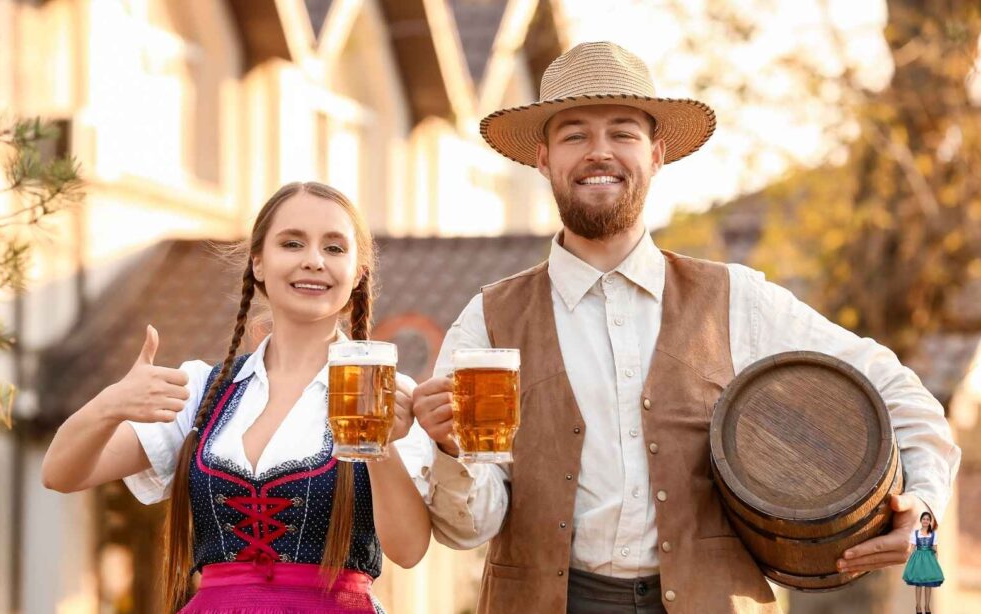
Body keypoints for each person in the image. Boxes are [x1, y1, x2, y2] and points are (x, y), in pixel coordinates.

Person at [411, 42, 961, 614]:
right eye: (575, 135)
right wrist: (451, 455)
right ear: (544, 158)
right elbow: (468, 529)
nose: (599, 153)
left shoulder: (738, 300)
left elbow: (894, 390)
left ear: (657, 153)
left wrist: (921, 501)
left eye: (622, 134)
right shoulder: (487, 320)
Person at [41, 182, 432, 613]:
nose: (313, 261)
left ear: (358, 272)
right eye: (292, 243)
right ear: (258, 263)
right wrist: (110, 404)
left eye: (335, 248)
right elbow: (62, 473)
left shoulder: (390, 394)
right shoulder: (204, 391)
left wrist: (382, 444)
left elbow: (409, 550)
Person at [903, 511, 944, 614]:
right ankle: (918, 606)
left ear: (930, 521)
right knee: (919, 583)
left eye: (927, 519)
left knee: (928, 583)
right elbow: (912, 547)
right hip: (918, 558)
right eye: (924, 519)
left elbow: (935, 548)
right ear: (921, 520)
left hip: (929, 558)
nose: (925, 521)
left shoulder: (933, 534)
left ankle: (927, 605)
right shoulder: (915, 533)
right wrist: (909, 558)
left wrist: (935, 560)